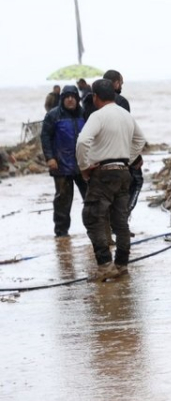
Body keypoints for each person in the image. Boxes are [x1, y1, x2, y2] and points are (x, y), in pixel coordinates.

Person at [77, 79, 146, 280]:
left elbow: (82, 141)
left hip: (103, 173)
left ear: (95, 97)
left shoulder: (97, 116)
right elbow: (140, 139)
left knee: (92, 217)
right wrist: (128, 159)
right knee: (120, 221)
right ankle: (121, 265)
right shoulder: (126, 115)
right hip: (124, 172)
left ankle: (105, 265)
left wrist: (84, 167)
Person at [81, 69, 142, 212]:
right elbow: (129, 133)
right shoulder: (120, 102)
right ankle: (125, 215)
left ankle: (113, 218)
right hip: (119, 158)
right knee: (136, 182)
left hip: (95, 160)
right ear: (115, 83)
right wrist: (134, 157)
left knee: (101, 200)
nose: (122, 86)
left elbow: (84, 137)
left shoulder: (88, 103)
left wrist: (84, 165)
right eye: (121, 83)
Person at [40, 85, 88, 237]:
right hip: (61, 165)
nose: (70, 99)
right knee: (62, 201)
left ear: (77, 99)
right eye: (67, 97)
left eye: (73, 96)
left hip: (83, 165)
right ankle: (61, 232)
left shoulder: (84, 113)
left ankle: (94, 229)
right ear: (62, 99)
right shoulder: (53, 115)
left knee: (91, 197)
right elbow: (45, 137)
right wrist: (50, 158)